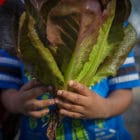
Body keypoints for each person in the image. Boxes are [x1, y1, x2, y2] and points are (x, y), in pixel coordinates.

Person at [1, 1, 140, 140]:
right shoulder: (21, 24)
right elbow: (6, 88)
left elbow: (124, 93)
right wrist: (17, 103)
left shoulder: (113, 25)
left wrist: (104, 108)